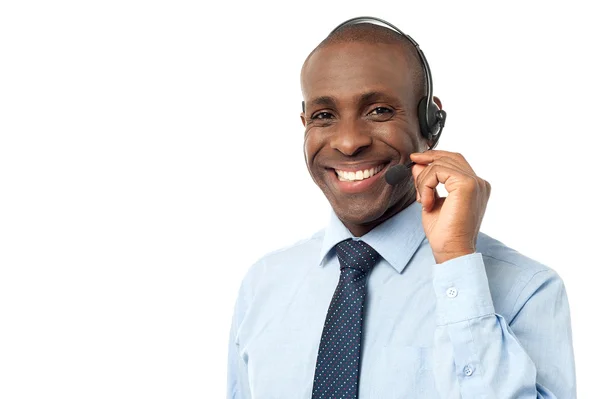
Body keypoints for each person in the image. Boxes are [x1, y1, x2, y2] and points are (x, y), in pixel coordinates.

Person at [227, 16, 576, 399]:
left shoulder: (526, 289)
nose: (347, 143)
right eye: (324, 116)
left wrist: (457, 262)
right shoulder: (263, 284)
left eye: (378, 111)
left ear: (431, 121)